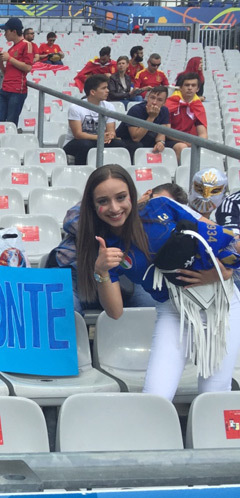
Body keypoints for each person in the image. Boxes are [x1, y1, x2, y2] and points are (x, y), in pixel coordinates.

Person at [76, 164, 240, 401]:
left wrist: (219, 273)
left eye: (121, 197)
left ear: (132, 195)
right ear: (92, 205)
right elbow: (115, 311)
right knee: (155, 397)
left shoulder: (161, 206)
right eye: (103, 201)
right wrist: (100, 270)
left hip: (221, 305)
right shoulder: (100, 245)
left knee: (214, 394)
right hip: (173, 312)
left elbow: (225, 240)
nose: (114, 208)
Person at [46, 182, 183, 313]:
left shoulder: (158, 232)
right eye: (157, 203)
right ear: (147, 194)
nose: (158, 211)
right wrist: (116, 230)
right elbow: (72, 219)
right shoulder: (113, 207)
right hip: (75, 273)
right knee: (64, 312)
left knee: (152, 305)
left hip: (125, 281)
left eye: (166, 212)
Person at [63, 74, 126, 165]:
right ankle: (83, 172)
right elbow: (78, 134)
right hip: (76, 142)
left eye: (107, 88)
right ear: (92, 92)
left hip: (99, 140)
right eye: (103, 88)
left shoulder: (109, 106)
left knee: (119, 144)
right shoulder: (76, 107)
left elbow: (111, 131)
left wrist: (110, 136)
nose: (107, 91)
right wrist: (100, 137)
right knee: (86, 145)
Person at [0, 17, 33, 126]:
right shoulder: (11, 49)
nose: (4, 34)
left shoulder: (26, 45)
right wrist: (0, 63)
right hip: (5, 88)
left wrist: (9, 59)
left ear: (14, 31)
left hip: (16, 91)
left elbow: (28, 67)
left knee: (10, 125)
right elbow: (7, 73)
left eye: (6, 31)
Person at [115, 86, 170, 157]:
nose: (154, 102)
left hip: (147, 138)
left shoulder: (164, 110)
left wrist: (160, 142)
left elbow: (162, 130)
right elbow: (136, 138)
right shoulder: (136, 110)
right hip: (126, 140)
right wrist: (151, 117)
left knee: (167, 146)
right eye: (152, 98)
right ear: (147, 98)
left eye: (159, 100)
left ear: (164, 102)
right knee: (137, 145)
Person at [166, 72, 207, 163]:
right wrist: (187, 141)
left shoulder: (197, 106)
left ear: (198, 89)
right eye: (187, 85)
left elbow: (203, 133)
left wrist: (198, 143)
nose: (190, 88)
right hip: (168, 139)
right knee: (182, 147)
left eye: (193, 85)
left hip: (188, 140)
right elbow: (166, 131)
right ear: (180, 88)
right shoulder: (170, 103)